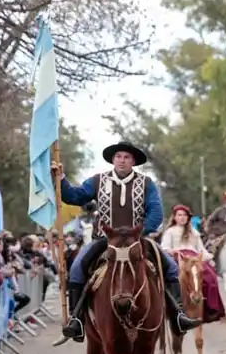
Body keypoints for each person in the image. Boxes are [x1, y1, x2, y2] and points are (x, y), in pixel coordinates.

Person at [53, 141, 201, 342]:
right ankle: (76, 320)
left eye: (127, 157)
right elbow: (74, 196)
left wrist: (138, 233)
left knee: (172, 268)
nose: (122, 160)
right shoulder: (97, 181)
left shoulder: (146, 183)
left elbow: (156, 213)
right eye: (118, 157)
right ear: (113, 160)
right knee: (78, 267)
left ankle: (178, 315)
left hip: (136, 241)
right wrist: (60, 178)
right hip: (105, 240)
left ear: (133, 161)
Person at [160, 205, 224, 323]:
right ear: (174, 217)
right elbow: (164, 248)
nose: (182, 218)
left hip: (194, 258)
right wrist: (173, 251)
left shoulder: (194, 232)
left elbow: (200, 249)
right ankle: (168, 304)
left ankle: (210, 307)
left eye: (184, 215)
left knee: (210, 276)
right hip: (178, 258)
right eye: (179, 215)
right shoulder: (170, 232)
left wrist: (208, 257)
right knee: (170, 277)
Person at [203, 190, 226, 255]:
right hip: (218, 235)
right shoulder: (219, 210)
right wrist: (208, 231)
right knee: (212, 248)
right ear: (225, 200)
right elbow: (210, 220)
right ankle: (210, 260)